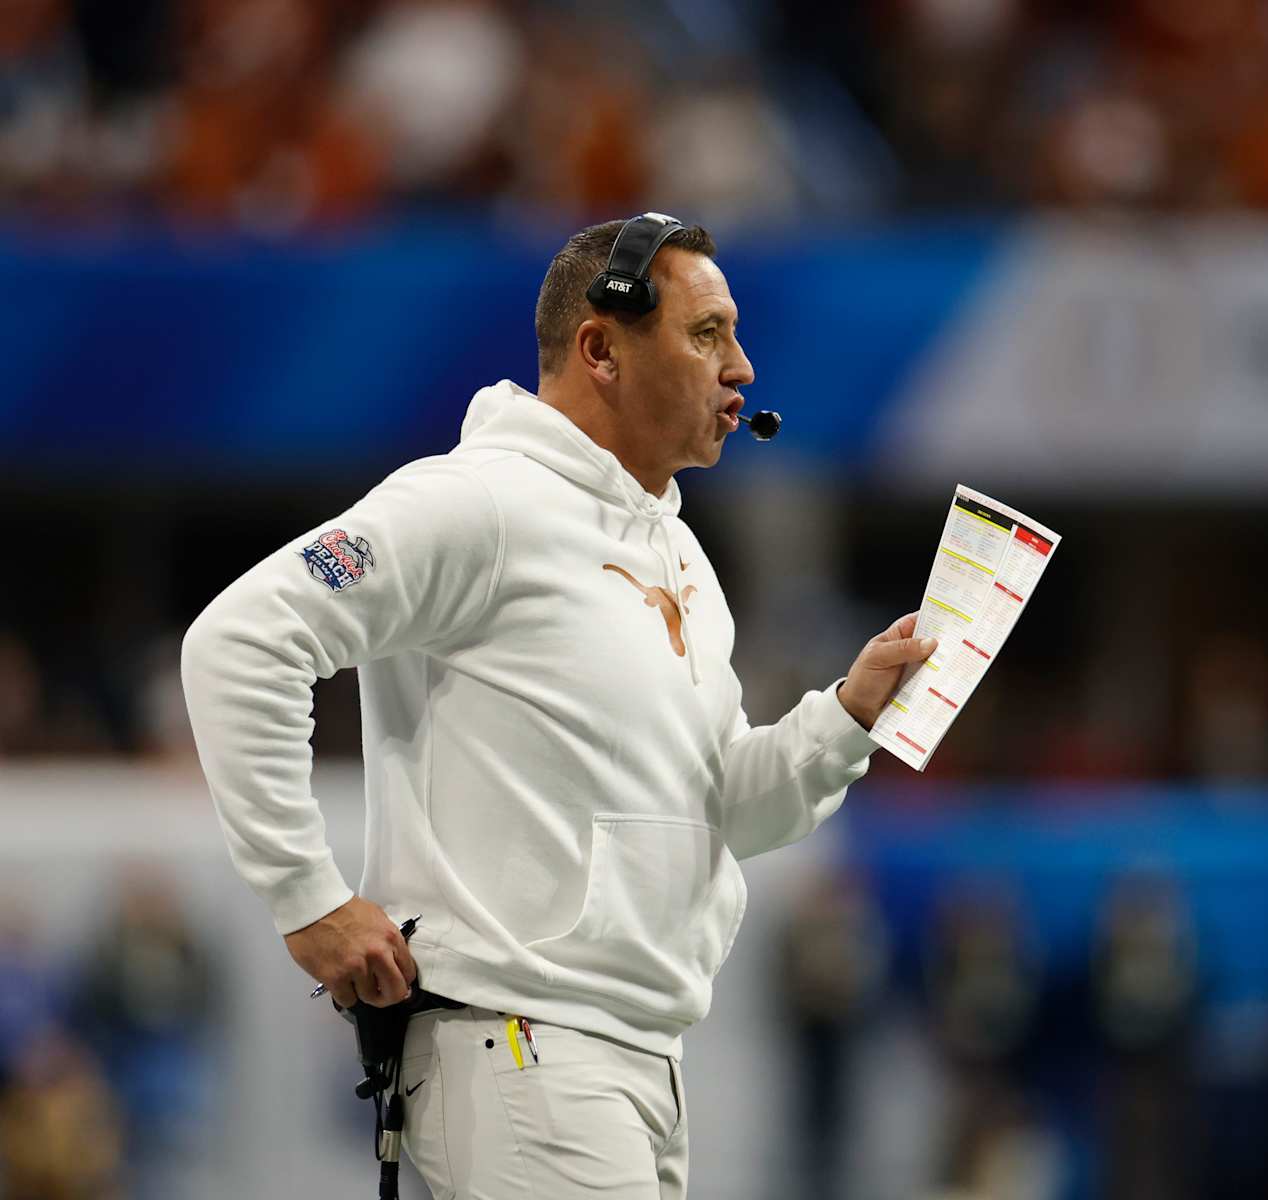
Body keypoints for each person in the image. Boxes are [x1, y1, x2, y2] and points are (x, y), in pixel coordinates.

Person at [180, 214, 937, 1199]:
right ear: (600, 348)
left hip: (630, 1063)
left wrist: (847, 716)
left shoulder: (682, 558)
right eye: (708, 333)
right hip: (526, 1051)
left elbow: (724, 813)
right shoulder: (479, 502)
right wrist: (306, 897)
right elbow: (239, 642)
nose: (743, 368)